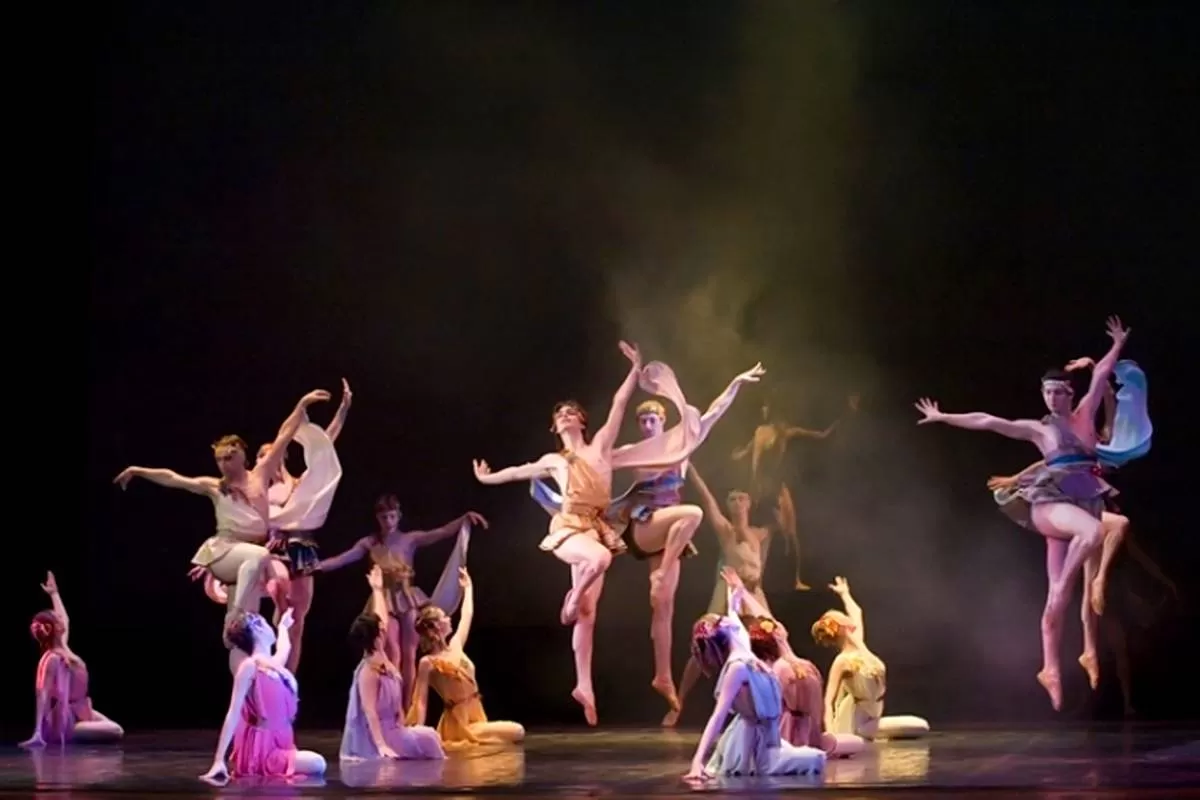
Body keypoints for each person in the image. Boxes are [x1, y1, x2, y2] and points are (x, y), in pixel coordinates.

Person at [473, 342, 704, 725]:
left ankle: (584, 686)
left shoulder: (600, 447)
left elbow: (618, 404)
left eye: (571, 413)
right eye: (559, 415)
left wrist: (634, 370)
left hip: (598, 527)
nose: (565, 416)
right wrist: (488, 477)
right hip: (569, 528)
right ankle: (571, 600)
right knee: (594, 569)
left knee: (589, 611)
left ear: (581, 421)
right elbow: (518, 472)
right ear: (555, 427)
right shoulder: (554, 460)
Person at [914, 315, 1129, 709]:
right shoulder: (1039, 430)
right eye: (1046, 392)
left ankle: (1050, 668)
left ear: (1069, 393)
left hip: (1084, 500)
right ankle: (1065, 596)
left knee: (1058, 596)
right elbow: (989, 421)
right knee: (1090, 538)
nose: (1052, 398)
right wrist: (945, 417)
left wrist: (1116, 344)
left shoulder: (1085, 416)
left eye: (1058, 391)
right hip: (1051, 504)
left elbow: (1100, 375)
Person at [988, 357, 1152, 690]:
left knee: (1092, 582)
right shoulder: (1072, 439)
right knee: (1111, 536)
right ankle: (1083, 639)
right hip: (1075, 508)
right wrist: (1015, 478)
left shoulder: (1099, 440)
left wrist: (1093, 368)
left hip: (1092, 505)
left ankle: (1089, 648)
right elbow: (1046, 463)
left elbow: (1105, 399)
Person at [114, 388, 332, 632]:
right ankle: (236, 613)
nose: (224, 463)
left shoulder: (260, 475)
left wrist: (301, 404)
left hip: (254, 552)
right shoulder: (215, 486)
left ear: (243, 456)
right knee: (257, 560)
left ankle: (253, 626)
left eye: (230, 457)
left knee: (257, 609)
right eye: (219, 459)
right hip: (226, 550)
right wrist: (137, 470)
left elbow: (284, 435)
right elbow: (174, 478)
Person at [194, 387, 349, 673]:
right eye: (262, 456)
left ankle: (287, 679)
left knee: (297, 621)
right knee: (273, 598)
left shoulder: (297, 485)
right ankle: (256, 664)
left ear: (282, 457)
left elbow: (324, 448)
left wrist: (343, 411)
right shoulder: (256, 490)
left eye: (272, 454)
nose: (267, 459)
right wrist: (213, 559)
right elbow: (236, 524)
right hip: (271, 549)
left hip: (300, 548)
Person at [316, 498, 484, 712]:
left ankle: (406, 710)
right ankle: (392, 706)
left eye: (392, 516)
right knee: (392, 652)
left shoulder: (409, 539)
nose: (388, 521)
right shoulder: (370, 543)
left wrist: (463, 519)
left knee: (410, 654)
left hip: (407, 597)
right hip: (384, 598)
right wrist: (316, 566)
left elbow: (440, 533)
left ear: (399, 516)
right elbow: (343, 558)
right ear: (377, 518)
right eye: (384, 517)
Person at [664, 466, 773, 727]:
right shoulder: (725, 529)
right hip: (727, 591)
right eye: (732, 499)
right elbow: (707, 499)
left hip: (752, 593)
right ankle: (678, 703)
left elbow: (764, 558)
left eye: (741, 498)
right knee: (704, 641)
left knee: (770, 641)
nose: (737, 503)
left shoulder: (760, 534)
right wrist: (692, 471)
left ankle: (771, 701)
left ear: (749, 503)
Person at [682, 587, 827, 783]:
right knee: (816, 758)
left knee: (816, 757)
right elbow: (717, 716)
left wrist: (734, 595)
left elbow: (735, 615)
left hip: (770, 738)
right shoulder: (737, 668)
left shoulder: (744, 650)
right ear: (724, 635)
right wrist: (697, 761)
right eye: (723, 621)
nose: (729, 620)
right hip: (754, 747)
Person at [721, 568, 863, 757]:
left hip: (787, 732)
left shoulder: (777, 670)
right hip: (807, 732)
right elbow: (767, 619)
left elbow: (760, 621)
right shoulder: (805, 666)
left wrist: (737, 596)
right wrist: (742, 593)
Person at [732, 394, 857, 590]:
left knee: (791, 532)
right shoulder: (762, 431)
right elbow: (755, 460)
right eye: (763, 407)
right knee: (773, 530)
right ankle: (754, 574)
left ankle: (796, 578)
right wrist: (753, 487)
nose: (763, 410)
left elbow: (821, 435)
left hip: (777, 485)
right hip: (765, 486)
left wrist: (844, 414)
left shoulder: (785, 432)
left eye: (766, 407)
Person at [200, 609, 325, 784]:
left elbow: (284, 648)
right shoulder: (249, 667)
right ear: (257, 628)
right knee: (317, 763)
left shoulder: (273, 665)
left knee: (314, 765)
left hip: (281, 741)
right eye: (265, 623)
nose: (269, 626)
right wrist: (219, 760)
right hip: (262, 750)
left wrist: (283, 626)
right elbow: (233, 713)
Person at [408, 567, 525, 750]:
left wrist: (468, 588)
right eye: (444, 617)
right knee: (517, 730)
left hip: (476, 714)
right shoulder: (428, 662)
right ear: (435, 627)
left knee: (506, 735)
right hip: (459, 722)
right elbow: (421, 701)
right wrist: (420, 732)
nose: (449, 619)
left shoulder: (455, 645)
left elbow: (466, 615)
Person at [340, 567, 444, 761]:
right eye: (380, 629)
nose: (384, 629)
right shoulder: (369, 670)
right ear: (375, 635)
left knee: (430, 737)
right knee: (428, 738)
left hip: (394, 728)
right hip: (378, 736)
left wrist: (377, 589)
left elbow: (382, 616)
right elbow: (370, 711)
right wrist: (381, 745)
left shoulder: (383, 658)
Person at [811, 577, 929, 740]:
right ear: (842, 627)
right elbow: (828, 701)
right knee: (920, 725)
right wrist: (832, 736)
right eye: (844, 617)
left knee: (918, 726)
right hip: (860, 723)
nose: (849, 617)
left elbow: (857, 612)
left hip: (874, 715)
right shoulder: (843, 661)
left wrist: (845, 594)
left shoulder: (859, 644)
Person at [20, 572, 124, 748]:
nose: (62, 619)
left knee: (114, 729)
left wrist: (54, 594)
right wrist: (37, 732)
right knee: (116, 730)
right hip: (65, 718)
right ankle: (62, 734)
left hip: (81, 708)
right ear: (56, 628)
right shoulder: (52, 658)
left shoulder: (64, 648)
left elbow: (66, 619)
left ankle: (78, 732)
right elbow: (42, 694)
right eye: (58, 619)